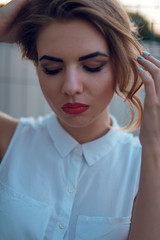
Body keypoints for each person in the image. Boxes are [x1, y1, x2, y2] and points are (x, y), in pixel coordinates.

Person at [0, 0, 160, 239]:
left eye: (93, 66)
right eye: (52, 68)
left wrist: (153, 146)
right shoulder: (7, 142)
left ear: (120, 65)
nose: (71, 87)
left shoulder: (142, 167)